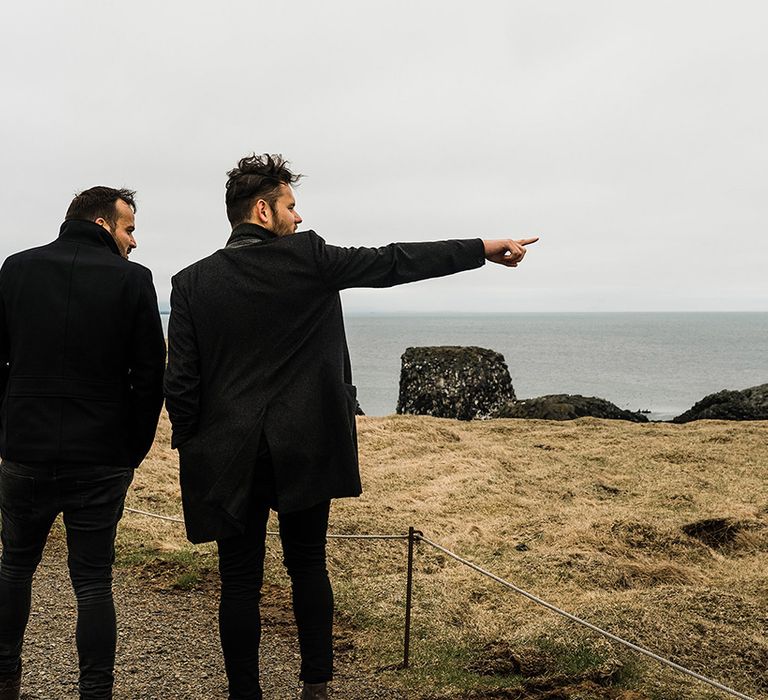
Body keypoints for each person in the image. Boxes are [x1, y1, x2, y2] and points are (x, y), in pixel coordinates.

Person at [163, 154, 537, 700]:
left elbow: (182, 385)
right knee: (307, 566)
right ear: (263, 211)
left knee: (238, 582)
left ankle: (244, 694)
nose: (298, 214)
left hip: (227, 455)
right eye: (290, 205)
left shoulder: (191, 283)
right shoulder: (310, 259)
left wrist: (199, 444)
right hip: (306, 446)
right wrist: (483, 248)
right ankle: (316, 686)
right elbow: (394, 262)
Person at [0, 187, 166, 700]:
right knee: (93, 582)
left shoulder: (16, 269)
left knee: (13, 568)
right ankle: (96, 692)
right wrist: (131, 451)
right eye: (129, 229)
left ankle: (5, 680)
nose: (134, 242)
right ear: (101, 223)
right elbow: (149, 378)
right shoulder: (133, 282)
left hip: (23, 447)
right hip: (100, 456)